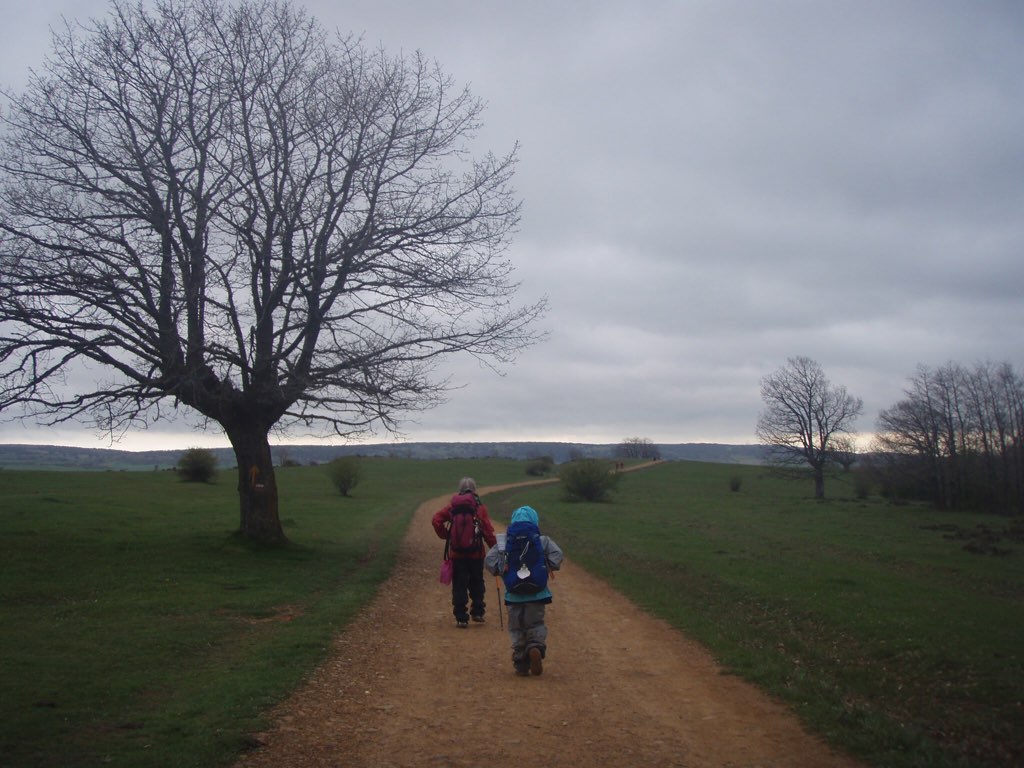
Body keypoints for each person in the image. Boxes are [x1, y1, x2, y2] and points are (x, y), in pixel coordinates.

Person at [485, 505, 563, 676]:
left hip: (513, 594)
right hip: (538, 593)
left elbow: (489, 561)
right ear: (534, 521)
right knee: (535, 623)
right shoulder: (542, 540)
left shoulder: (504, 541)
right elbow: (557, 555)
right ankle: (535, 646)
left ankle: (520, 660)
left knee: (516, 627)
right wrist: (546, 566)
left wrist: (500, 569)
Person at [431, 477, 497, 628]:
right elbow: (487, 531)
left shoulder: (452, 507)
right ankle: (477, 612)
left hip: (457, 554)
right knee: (477, 582)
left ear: (459, 490)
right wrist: (495, 548)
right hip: (476, 554)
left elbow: (436, 520)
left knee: (459, 584)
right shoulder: (479, 508)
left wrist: (447, 535)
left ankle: (461, 617)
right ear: (474, 490)